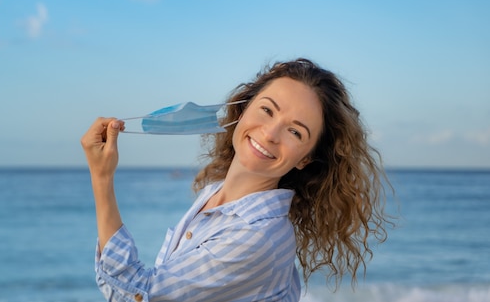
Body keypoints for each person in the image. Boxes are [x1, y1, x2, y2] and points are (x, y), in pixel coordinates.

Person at [81, 58, 392, 302]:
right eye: (267, 110)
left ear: (306, 158)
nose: (270, 134)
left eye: (295, 131)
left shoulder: (257, 236)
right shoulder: (216, 196)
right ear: (242, 110)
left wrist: (101, 177)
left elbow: (139, 293)